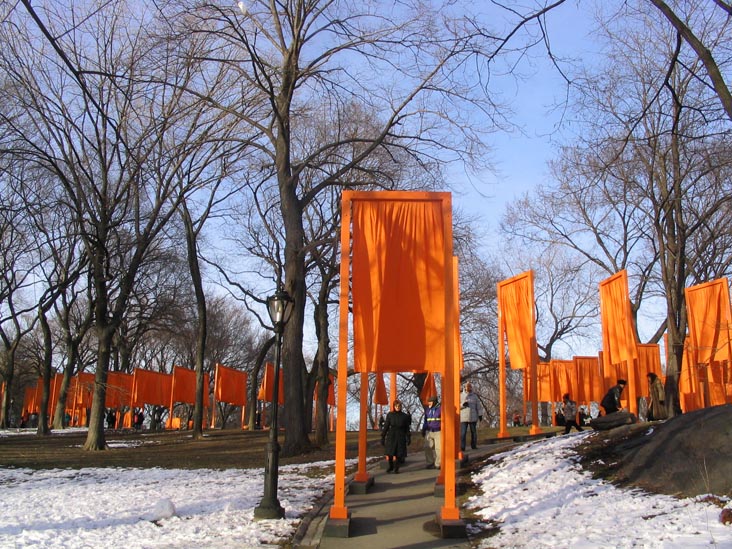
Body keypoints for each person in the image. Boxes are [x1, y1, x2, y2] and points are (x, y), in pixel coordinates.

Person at [381, 399, 411, 473]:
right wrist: (383, 436)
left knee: (399, 453)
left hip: (401, 435)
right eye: (396, 406)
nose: (397, 407)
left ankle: (396, 468)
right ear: (394, 406)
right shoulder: (390, 415)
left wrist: (408, 437)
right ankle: (391, 466)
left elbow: (407, 428)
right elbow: (386, 426)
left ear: (401, 407)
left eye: (399, 406)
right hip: (392, 434)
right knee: (390, 452)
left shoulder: (404, 416)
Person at [460, 382, 482, 451]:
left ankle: (474, 445)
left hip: (473, 417)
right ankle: (462, 447)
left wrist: (480, 414)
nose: (469, 388)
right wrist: (463, 405)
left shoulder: (474, 396)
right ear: (465, 387)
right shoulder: (461, 395)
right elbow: (457, 405)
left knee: (474, 432)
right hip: (464, 417)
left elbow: (478, 406)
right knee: (463, 433)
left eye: (470, 386)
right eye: (467, 386)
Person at [421, 396, 441, 469]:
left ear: (434, 402)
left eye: (430, 401)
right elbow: (425, 421)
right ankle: (430, 462)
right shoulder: (427, 410)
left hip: (438, 431)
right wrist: (423, 429)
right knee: (427, 446)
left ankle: (438, 464)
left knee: (439, 448)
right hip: (429, 431)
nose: (429, 403)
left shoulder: (440, 409)